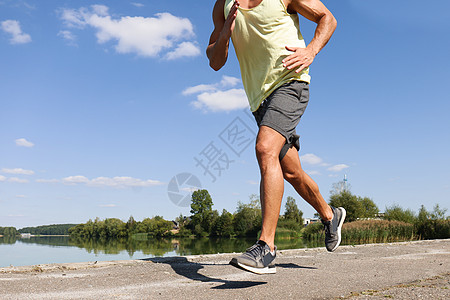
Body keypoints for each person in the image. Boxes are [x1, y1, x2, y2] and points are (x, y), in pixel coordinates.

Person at [207, 0, 346, 274]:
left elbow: (327, 18)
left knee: (264, 148)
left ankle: (266, 247)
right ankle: (330, 215)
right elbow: (215, 62)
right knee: (292, 172)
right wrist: (225, 34)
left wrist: (311, 51)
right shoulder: (222, 6)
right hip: (260, 101)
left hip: (290, 82)